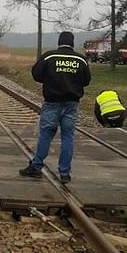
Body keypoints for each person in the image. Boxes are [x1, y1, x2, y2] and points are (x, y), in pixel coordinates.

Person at [19, 31, 91, 183]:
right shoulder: (81, 59)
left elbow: (36, 74)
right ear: (72, 43)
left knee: (46, 134)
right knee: (67, 137)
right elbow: (86, 80)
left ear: (59, 42)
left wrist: (50, 79)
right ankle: (65, 173)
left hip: (52, 102)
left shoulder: (49, 56)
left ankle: (36, 167)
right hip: (72, 103)